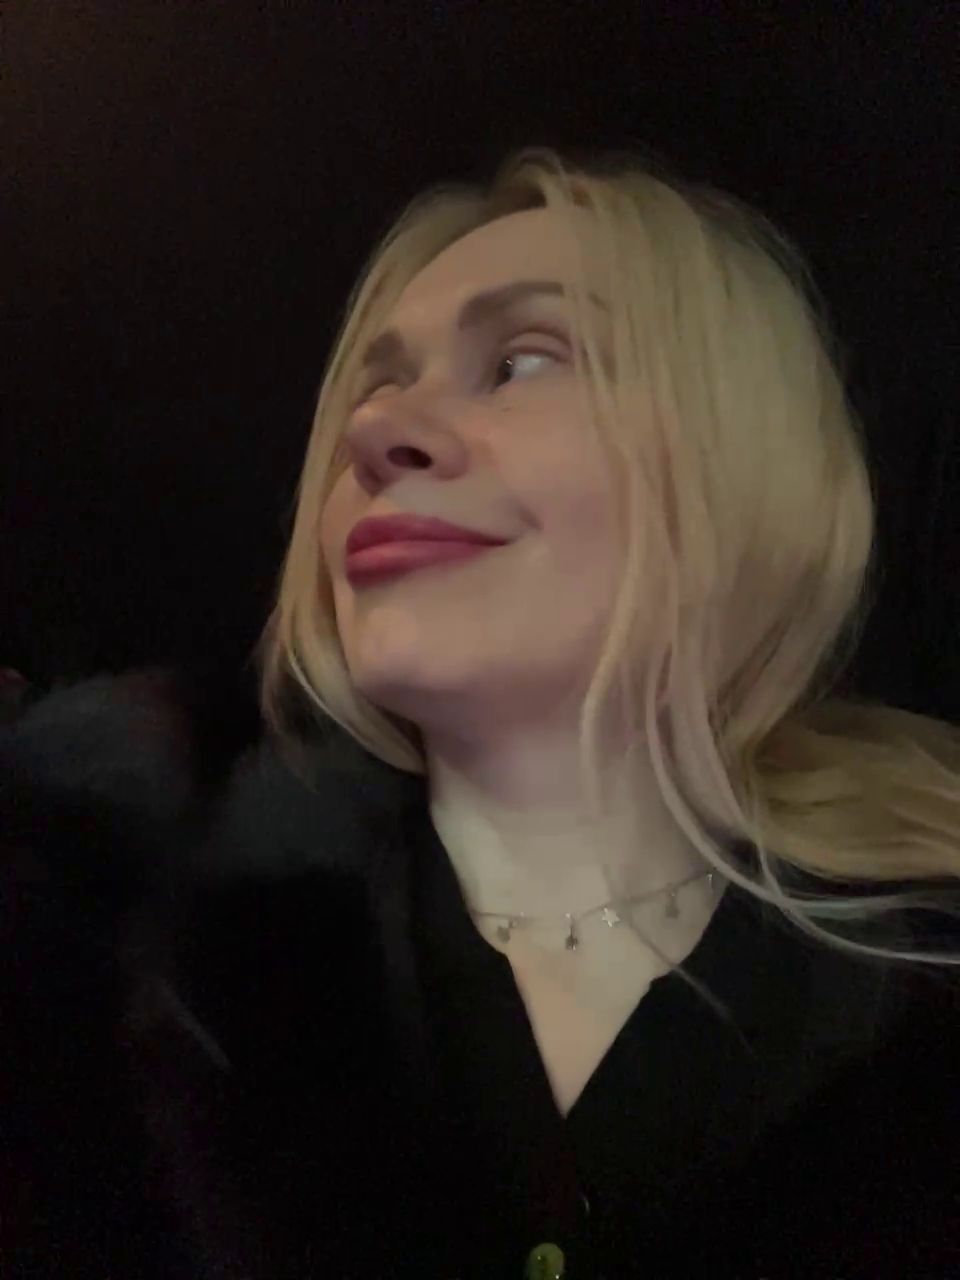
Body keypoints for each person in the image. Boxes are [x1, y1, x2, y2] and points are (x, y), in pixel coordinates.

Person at [3, 146, 959, 1279]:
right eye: (373, 389)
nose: (374, 434)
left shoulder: (917, 970)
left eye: (521, 361)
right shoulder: (92, 938)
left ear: (740, 454)